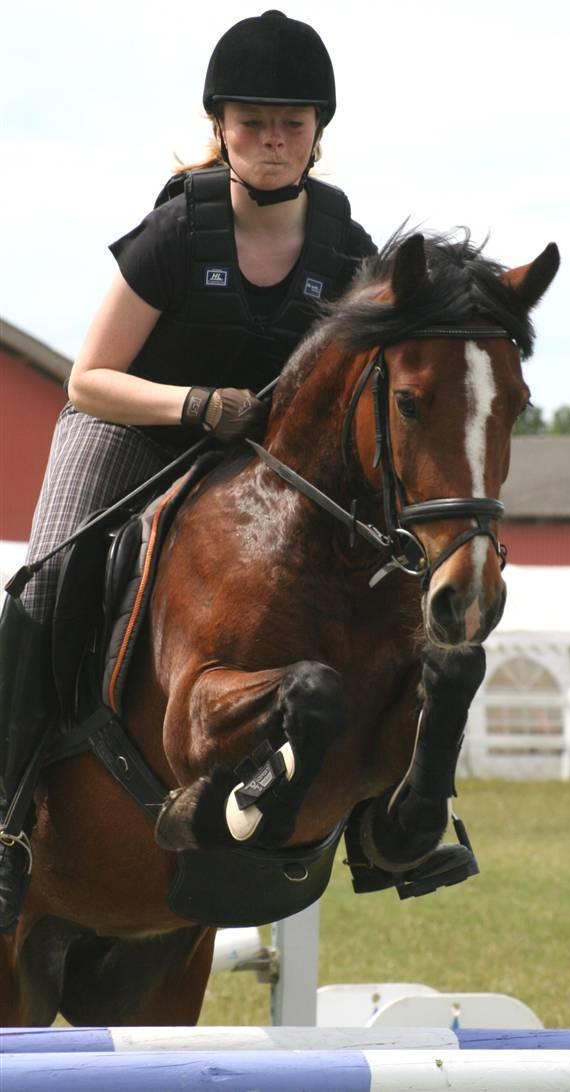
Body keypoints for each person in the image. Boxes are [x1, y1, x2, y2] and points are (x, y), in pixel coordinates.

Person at [0, 9, 376, 932]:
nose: (273, 140)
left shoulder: (347, 250)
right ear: (221, 128)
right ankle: (7, 823)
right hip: (131, 429)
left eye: (291, 123)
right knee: (43, 586)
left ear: (318, 132)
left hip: (257, 465)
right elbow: (90, 378)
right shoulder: (177, 232)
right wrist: (196, 405)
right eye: (253, 122)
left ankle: (387, 824)